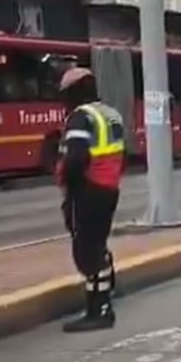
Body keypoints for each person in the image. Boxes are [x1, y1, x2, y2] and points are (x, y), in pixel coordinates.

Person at [56, 68, 126, 332]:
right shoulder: (110, 114)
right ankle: (102, 302)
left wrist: (66, 181)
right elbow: (123, 154)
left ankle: (98, 311)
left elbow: (75, 158)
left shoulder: (80, 117)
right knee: (97, 247)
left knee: (85, 251)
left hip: (86, 190)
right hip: (109, 189)